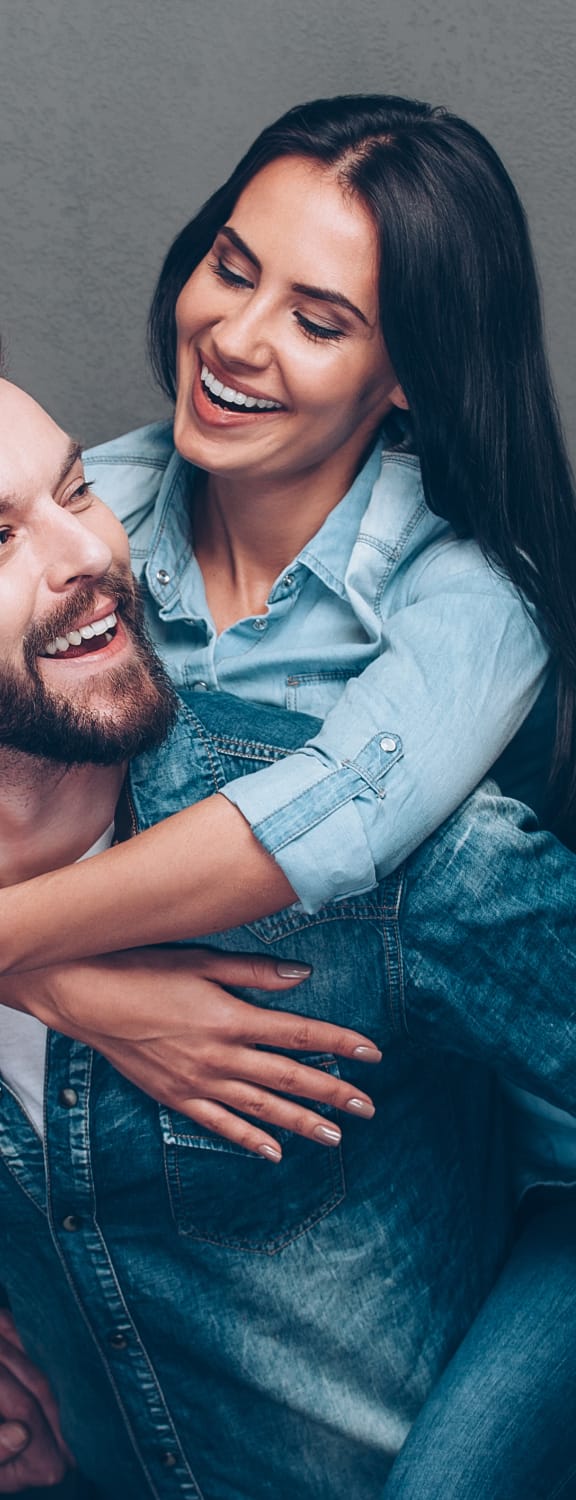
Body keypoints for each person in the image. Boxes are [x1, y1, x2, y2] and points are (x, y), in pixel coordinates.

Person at [0, 90, 576, 1492]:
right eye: (232, 268)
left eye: (320, 318)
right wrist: (57, 981)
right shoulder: (101, 515)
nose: (238, 339)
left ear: (410, 375)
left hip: (503, 1183)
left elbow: (326, 818)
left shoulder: (464, 601)